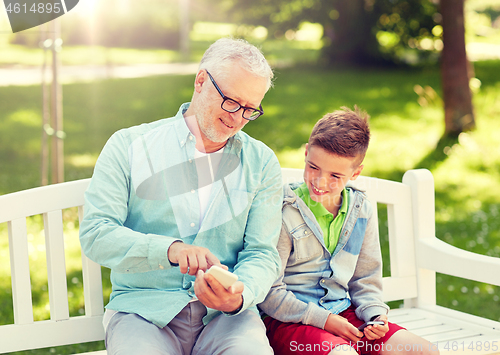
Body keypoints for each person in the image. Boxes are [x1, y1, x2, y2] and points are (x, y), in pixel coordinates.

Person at [79, 38, 283, 355]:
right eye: (231, 101)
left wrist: (239, 297)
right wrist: (170, 250)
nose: (237, 118)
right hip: (143, 314)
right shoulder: (128, 146)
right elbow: (96, 233)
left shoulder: (262, 162)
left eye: (250, 109)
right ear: (201, 81)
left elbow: (262, 254)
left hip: (226, 321)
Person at [258, 107, 439, 355]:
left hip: (344, 315)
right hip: (289, 322)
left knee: (423, 351)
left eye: (335, 175)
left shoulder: (361, 210)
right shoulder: (282, 210)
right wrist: (324, 321)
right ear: (306, 153)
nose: (320, 182)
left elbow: (365, 279)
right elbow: (268, 292)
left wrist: (375, 315)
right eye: (313, 167)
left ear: (356, 173)